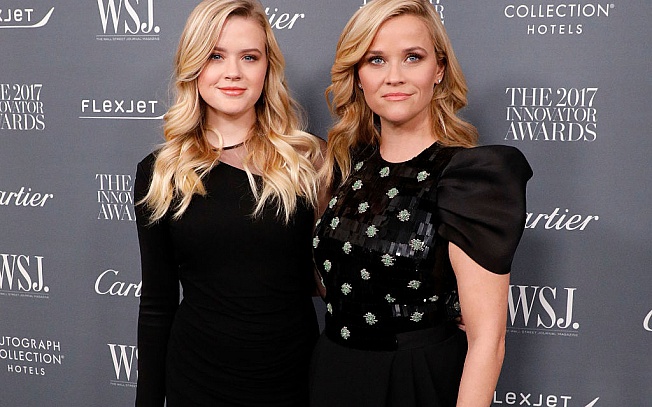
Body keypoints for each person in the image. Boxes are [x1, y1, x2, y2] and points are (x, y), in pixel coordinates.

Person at [310, 1, 532, 406]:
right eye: (376, 60)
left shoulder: (468, 178)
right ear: (357, 75)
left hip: (417, 379)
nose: (394, 76)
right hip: (334, 372)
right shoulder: (344, 165)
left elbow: (488, 340)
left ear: (439, 69)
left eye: (413, 57)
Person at [134, 1, 325, 405]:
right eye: (215, 56)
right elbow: (156, 304)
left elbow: (348, 273)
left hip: (294, 382)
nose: (233, 72)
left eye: (249, 57)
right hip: (197, 382)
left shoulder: (310, 161)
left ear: (267, 67)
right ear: (194, 66)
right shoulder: (161, 172)